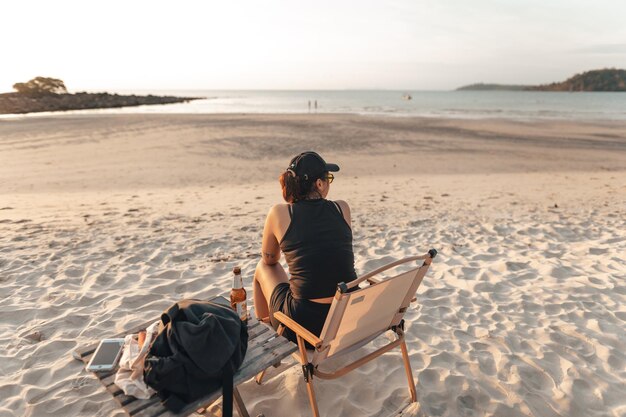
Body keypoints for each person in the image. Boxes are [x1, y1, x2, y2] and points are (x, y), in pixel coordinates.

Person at [253, 151, 356, 343]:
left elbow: (270, 259)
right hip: (345, 320)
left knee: (263, 267)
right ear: (318, 184)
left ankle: (263, 329)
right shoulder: (342, 208)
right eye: (328, 179)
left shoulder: (280, 213)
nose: (329, 183)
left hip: (304, 326)